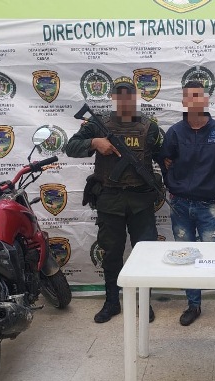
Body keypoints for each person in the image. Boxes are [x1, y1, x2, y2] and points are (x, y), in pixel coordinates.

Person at [66, 76, 162, 324]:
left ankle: (144, 302)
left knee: (146, 253)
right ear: (113, 97)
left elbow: (163, 156)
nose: (124, 100)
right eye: (119, 95)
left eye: (129, 95)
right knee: (111, 253)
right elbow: (71, 147)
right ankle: (112, 302)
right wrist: (94, 142)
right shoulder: (98, 125)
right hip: (110, 199)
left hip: (141, 200)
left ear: (135, 97)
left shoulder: (149, 127)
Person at [159, 80, 215, 328]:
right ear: (183, 102)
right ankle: (193, 305)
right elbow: (165, 162)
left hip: (206, 205)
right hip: (179, 205)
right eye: (189, 96)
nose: (194, 100)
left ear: (206, 99)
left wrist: (213, 187)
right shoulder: (174, 132)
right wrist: (174, 185)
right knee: (186, 258)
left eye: (198, 95)